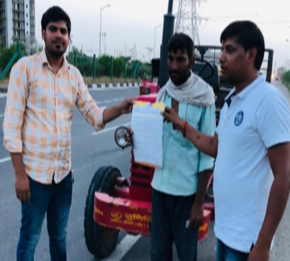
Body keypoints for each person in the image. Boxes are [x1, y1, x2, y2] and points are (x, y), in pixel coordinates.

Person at [3, 6, 134, 261]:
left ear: (69, 37)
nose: (59, 35)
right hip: (34, 178)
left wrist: (120, 108)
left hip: (62, 178)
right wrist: (19, 175)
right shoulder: (24, 69)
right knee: (29, 239)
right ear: (43, 33)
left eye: (64, 31)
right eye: (53, 29)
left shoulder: (73, 75)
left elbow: (93, 114)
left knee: (59, 237)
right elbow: (11, 126)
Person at [162, 21, 290, 261]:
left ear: (251, 55)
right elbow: (215, 147)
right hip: (225, 233)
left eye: (229, 50)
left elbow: (284, 175)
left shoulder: (268, 100)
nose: (221, 57)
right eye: (222, 50)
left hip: (247, 242)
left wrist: (262, 244)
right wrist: (181, 124)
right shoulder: (233, 99)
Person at [129, 32, 216, 261]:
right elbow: (154, 139)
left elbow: (207, 155)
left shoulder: (205, 97)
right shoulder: (163, 94)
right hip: (159, 191)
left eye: (180, 59)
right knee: (158, 255)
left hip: (186, 196)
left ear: (191, 62)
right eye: (170, 59)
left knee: (187, 256)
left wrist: (199, 204)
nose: (174, 65)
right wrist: (135, 139)